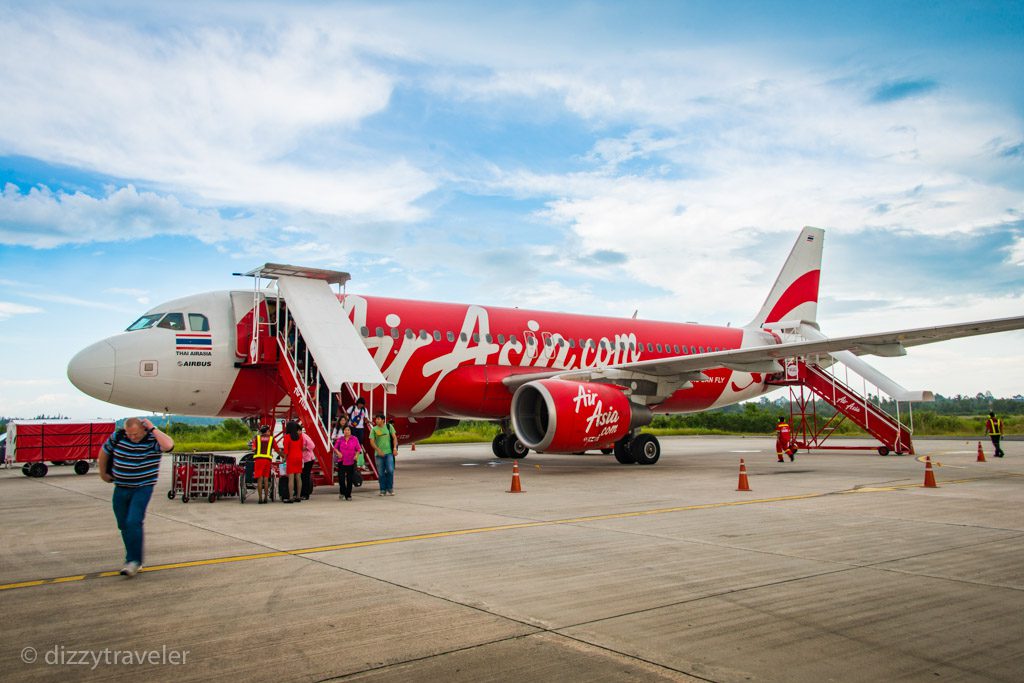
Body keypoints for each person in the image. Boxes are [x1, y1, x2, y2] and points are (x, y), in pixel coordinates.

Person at [97, 417, 174, 578]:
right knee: (123, 524)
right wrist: (103, 473)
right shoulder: (119, 437)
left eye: (136, 434)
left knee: (133, 521)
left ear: (144, 429)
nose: (132, 437)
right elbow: (104, 452)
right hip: (121, 487)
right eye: (129, 434)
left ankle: (133, 561)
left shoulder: (152, 439)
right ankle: (133, 556)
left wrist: (152, 428)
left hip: (142, 487)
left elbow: (168, 446)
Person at [370, 413, 398, 496]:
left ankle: (390, 488)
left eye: (379, 419)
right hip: (378, 455)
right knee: (381, 473)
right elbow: (371, 442)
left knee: (390, 470)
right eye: (376, 419)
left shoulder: (389, 427)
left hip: (389, 453)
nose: (377, 420)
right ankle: (382, 490)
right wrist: (378, 450)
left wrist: (395, 448)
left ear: (383, 420)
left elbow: (394, 438)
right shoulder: (374, 429)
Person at [334, 425, 362, 500]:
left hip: (351, 461)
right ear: (343, 431)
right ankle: (343, 491)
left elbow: (358, 449)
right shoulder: (340, 439)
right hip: (342, 461)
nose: (347, 431)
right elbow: (335, 448)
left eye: (348, 430)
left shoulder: (354, 439)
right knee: (341, 479)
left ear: (350, 431)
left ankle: (348, 495)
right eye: (345, 430)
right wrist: (338, 453)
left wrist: (356, 455)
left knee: (349, 479)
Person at [251, 425, 277, 504]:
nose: (270, 432)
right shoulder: (272, 439)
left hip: (259, 461)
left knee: (260, 480)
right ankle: (266, 498)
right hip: (267, 461)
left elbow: (253, 449)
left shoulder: (257, 438)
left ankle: (260, 499)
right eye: (269, 431)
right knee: (266, 480)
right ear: (266, 431)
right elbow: (277, 449)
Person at [281, 420, 304, 503]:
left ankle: (291, 497)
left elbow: (286, 451)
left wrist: (283, 458)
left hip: (291, 458)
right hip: (299, 457)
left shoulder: (287, 437)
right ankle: (298, 496)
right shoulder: (300, 436)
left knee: (291, 478)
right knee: (298, 477)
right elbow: (301, 447)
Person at [299, 424, 316, 499]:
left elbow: (312, 445)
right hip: (302, 459)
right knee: (302, 476)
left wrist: (305, 448)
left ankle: (305, 494)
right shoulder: (298, 436)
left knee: (305, 476)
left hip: (308, 459)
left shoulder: (304, 436)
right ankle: (302, 492)